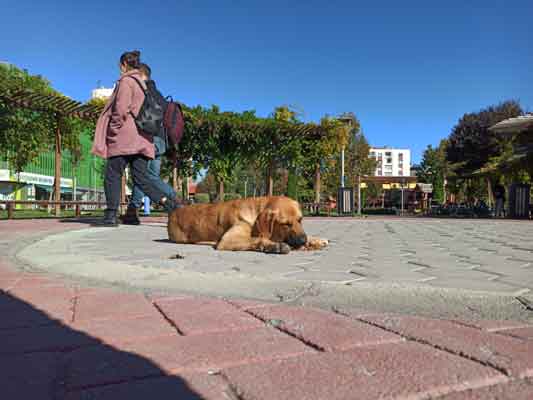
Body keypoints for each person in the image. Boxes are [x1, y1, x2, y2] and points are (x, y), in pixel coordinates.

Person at [92, 50, 178, 226]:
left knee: (112, 174)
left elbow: (120, 110)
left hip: (124, 139)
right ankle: (171, 205)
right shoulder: (144, 85)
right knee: (142, 180)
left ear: (124, 65)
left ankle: (110, 215)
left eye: (119, 66)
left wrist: (113, 132)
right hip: (142, 140)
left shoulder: (126, 82)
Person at [121, 63, 176, 225]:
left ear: (142, 75)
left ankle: (176, 201)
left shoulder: (145, 91)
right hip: (160, 141)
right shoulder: (158, 93)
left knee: (145, 176)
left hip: (149, 140)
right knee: (145, 176)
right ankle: (132, 210)